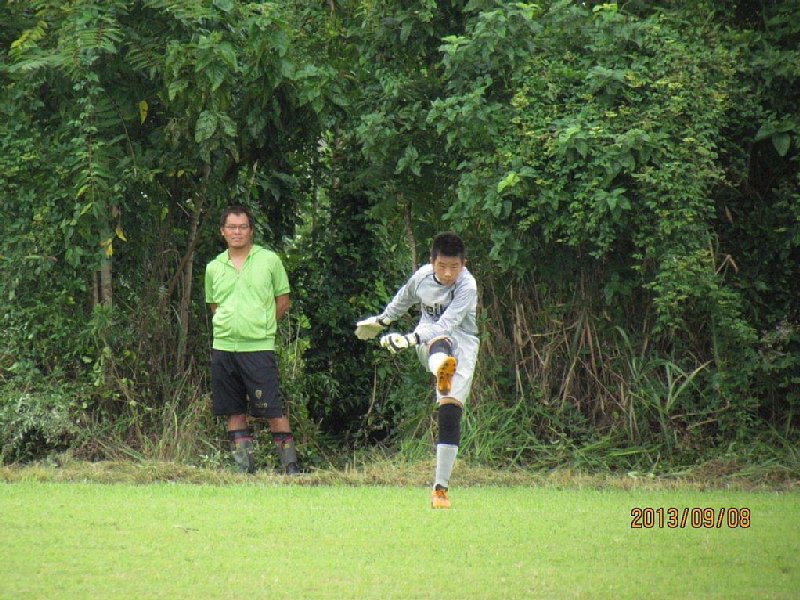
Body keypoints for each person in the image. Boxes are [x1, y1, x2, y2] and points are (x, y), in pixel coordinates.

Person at [355, 232, 479, 509]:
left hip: (464, 344)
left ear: (464, 264)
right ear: (432, 261)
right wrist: (382, 321)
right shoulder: (422, 277)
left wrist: (409, 339)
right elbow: (404, 298)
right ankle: (441, 366)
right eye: (442, 266)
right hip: (430, 339)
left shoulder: (468, 285)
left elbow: (448, 323)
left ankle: (440, 490)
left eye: (454, 267)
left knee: (450, 409)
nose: (448, 273)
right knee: (438, 341)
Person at [205, 205, 300, 475]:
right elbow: (214, 306)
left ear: (251, 231)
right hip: (224, 348)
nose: (237, 232)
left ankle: (291, 469)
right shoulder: (213, 267)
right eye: (232, 227)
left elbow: (283, 301)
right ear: (222, 232)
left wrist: (263, 325)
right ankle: (243, 471)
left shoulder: (269, 261)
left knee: (272, 410)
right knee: (234, 411)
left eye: (242, 227)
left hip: (258, 347)